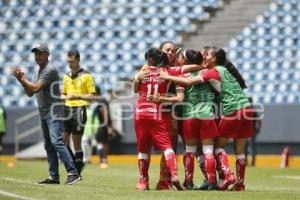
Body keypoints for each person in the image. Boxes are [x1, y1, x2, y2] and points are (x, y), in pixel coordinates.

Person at [158, 47, 253, 191]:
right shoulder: (225, 70)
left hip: (202, 114)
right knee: (235, 151)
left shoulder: (206, 73)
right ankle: (230, 183)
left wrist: (167, 78)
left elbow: (186, 87)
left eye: (206, 55)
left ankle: (209, 178)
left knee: (204, 149)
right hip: (244, 109)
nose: (204, 57)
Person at [10, 43, 81, 185]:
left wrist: (23, 79)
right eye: (35, 53)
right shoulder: (37, 72)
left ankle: (73, 173)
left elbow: (35, 88)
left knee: (56, 141)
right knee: (48, 145)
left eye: (40, 53)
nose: (37, 56)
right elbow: (30, 93)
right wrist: (21, 80)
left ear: (47, 54)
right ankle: (54, 176)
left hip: (54, 110)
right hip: (44, 111)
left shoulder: (50, 69)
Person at [133, 48, 184, 191]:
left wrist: (137, 78)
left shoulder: (143, 72)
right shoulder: (168, 72)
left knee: (143, 149)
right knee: (168, 147)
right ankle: (174, 175)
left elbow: (135, 90)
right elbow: (185, 70)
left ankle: (143, 182)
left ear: (149, 60)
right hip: (156, 113)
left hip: (140, 112)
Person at [61, 50, 96, 176]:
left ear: (78, 60)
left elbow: (92, 96)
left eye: (72, 61)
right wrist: (63, 97)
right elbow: (63, 93)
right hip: (66, 109)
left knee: (76, 142)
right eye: (68, 62)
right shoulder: (66, 76)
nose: (70, 64)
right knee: (62, 141)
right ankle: (75, 166)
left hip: (79, 109)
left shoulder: (86, 75)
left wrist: (77, 96)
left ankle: (78, 167)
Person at [93, 86, 114, 169]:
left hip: (103, 124)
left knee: (104, 142)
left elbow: (104, 112)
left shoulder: (101, 100)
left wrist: (107, 125)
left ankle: (104, 159)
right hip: (102, 124)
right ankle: (102, 159)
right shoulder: (100, 100)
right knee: (100, 141)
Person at [245, 97, 262, 166]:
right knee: (251, 147)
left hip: (248, 131)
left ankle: (248, 162)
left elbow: (259, 121)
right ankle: (252, 162)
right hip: (251, 131)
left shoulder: (247, 111)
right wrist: (258, 129)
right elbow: (259, 121)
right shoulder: (253, 111)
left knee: (247, 147)